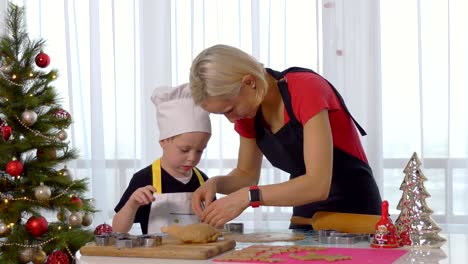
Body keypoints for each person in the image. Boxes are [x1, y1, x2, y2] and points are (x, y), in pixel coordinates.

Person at [189, 44, 382, 229]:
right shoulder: (248, 113)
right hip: (306, 213)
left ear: (249, 82)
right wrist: (215, 183)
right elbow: (246, 175)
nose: (231, 120)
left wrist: (248, 197)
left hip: (355, 209)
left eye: (229, 109)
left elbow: (317, 184)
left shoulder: (306, 88)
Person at [112, 83, 212, 234]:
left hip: (195, 257)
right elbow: (118, 230)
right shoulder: (144, 179)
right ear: (163, 141)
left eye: (200, 151)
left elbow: (214, 222)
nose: (192, 158)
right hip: (157, 257)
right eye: (184, 150)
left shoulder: (203, 181)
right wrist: (132, 204)